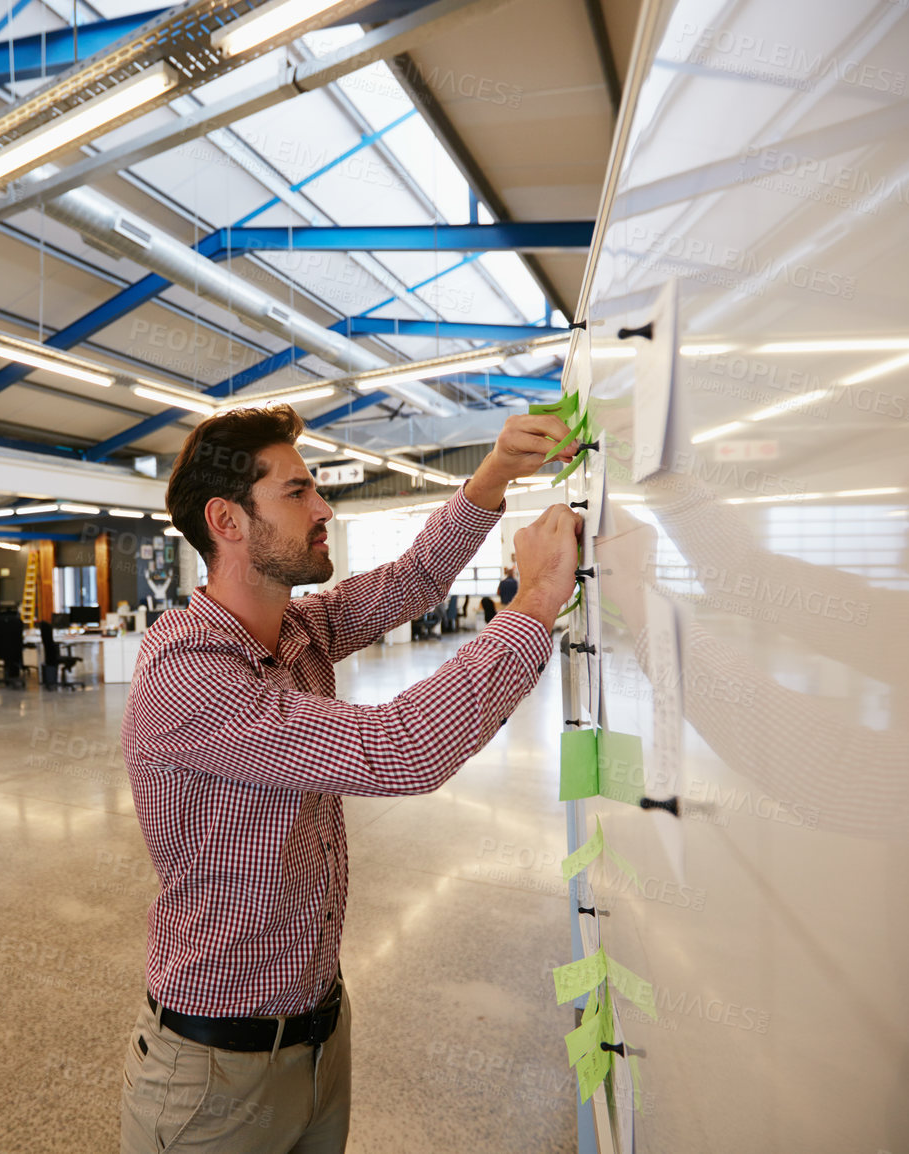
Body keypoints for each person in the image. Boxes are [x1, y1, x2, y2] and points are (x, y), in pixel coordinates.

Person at [118, 404, 582, 1153]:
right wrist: (531, 605)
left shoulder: (299, 628)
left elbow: (417, 576)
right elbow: (400, 748)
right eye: (297, 493)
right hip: (214, 1076)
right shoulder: (188, 676)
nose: (323, 507)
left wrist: (496, 471)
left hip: (322, 1035)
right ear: (226, 522)